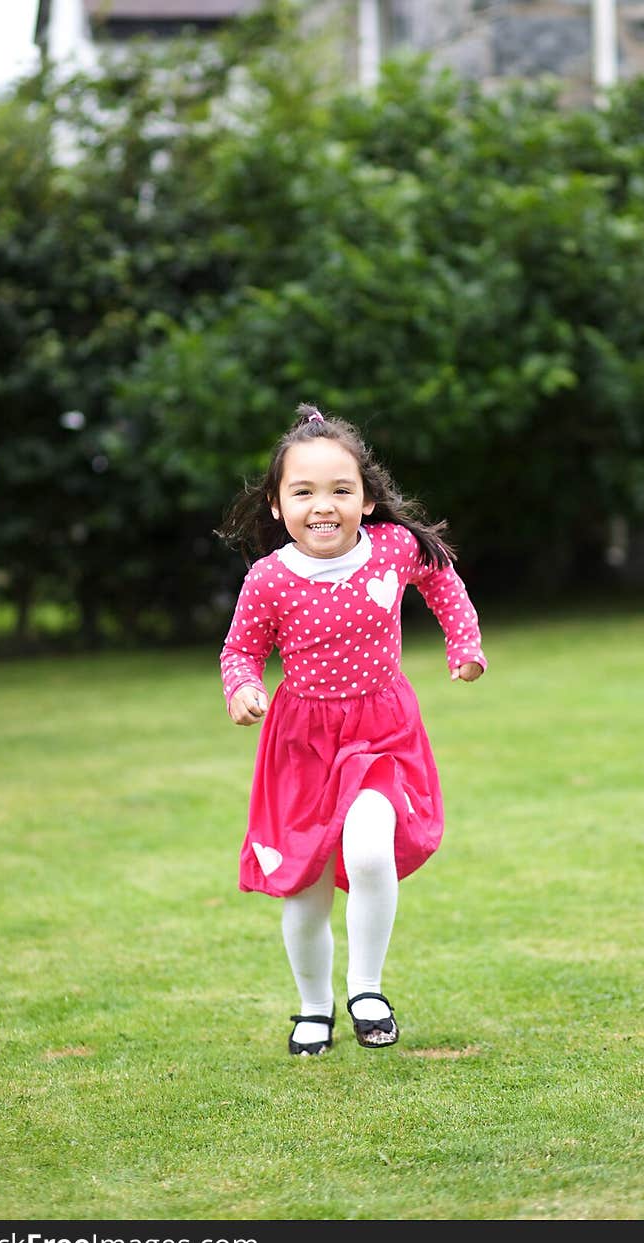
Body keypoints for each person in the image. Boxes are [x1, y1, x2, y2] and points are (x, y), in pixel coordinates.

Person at [216, 402, 486, 1056]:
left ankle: (366, 989)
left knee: (368, 850)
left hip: (381, 733)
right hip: (301, 745)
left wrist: (464, 644)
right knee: (305, 887)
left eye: (341, 489)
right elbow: (240, 652)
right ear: (278, 507)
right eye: (303, 491)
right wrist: (243, 688)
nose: (323, 505)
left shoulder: (393, 549)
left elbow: (441, 575)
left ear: (368, 500)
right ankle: (314, 1008)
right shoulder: (269, 579)